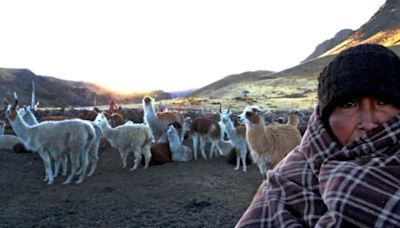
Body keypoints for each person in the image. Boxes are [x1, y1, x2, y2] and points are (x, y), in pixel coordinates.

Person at [236, 43, 400, 227]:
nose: (369, 123)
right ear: (325, 117)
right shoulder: (284, 186)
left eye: (384, 102)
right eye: (349, 105)